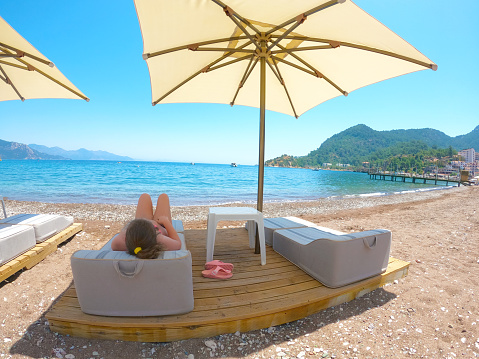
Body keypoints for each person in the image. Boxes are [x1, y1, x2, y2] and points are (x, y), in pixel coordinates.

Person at [111, 193, 182, 258]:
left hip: (141, 226)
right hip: (161, 224)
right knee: (163, 196)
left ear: (126, 238)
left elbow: (115, 243)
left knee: (144, 196)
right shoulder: (159, 239)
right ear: (156, 233)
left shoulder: (121, 244)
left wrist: (130, 231)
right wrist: (166, 221)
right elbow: (178, 243)